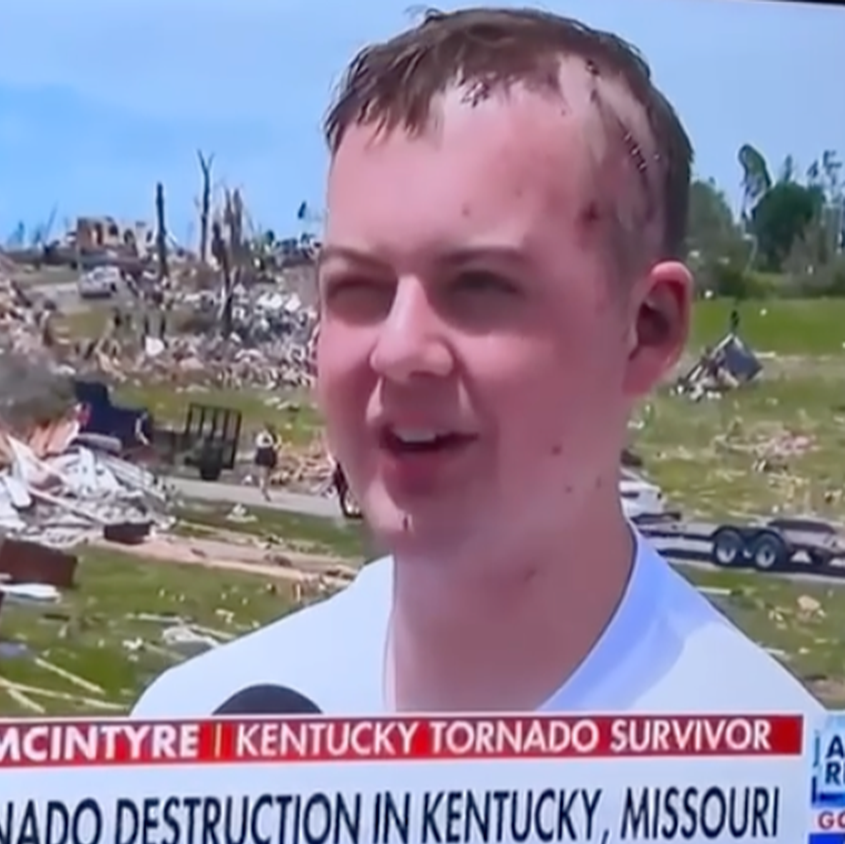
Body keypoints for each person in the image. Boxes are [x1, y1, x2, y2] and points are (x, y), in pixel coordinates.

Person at [133, 7, 820, 716]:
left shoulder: (770, 770)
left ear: (646, 328)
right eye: (359, 288)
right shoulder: (198, 736)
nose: (399, 351)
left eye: (480, 286)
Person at [253, 424, 280, 501]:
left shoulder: (262, 436)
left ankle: (263, 489)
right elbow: (277, 446)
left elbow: (258, 445)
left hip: (266, 456)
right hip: (267, 456)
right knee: (265, 475)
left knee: (265, 475)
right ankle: (264, 490)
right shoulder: (271, 437)